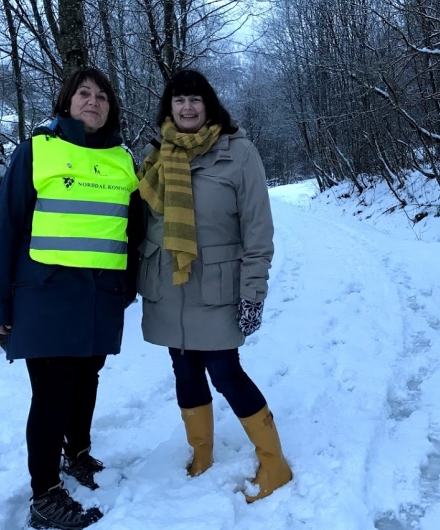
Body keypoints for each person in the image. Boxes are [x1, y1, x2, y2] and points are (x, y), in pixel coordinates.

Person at [0, 68, 143, 530]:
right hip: (46, 295)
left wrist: (127, 285)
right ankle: (44, 494)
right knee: (52, 394)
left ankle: (79, 454)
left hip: (101, 296)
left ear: (110, 107)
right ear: (67, 102)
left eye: (101, 96)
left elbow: (132, 231)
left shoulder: (122, 159)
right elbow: (4, 229)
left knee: (86, 380)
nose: (93, 102)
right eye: (83, 94)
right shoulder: (37, 151)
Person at [137, 69, 292, 503]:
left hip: (218, 287)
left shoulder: (238, 153)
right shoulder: (155, 156)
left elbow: (258, 230)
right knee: (183, 369)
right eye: (179, 100)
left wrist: (253, 292)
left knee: (226, 372)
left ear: (209, 106)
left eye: (195, 100)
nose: (187, 107)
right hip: (168, 286)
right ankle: (201, 453)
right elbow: (140, 222)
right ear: (168, 107)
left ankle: (274, 463)